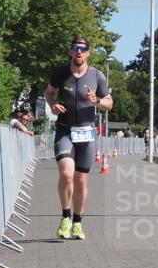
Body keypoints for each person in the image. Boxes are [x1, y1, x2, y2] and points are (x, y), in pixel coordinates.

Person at [44, 36, 112, 240]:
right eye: (76, 49)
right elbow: (48, 93)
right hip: (64, 130)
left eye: (83, 49)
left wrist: (98, 100)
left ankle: (78, 221)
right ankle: (65, 216)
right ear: (71, 52)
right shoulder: (61, 73)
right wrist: (52, 105)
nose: (79, 52)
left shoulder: (97, 76)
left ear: (88, 53)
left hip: (86, 132)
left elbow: (109, 103)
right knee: (66, 174)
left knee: (81, 181)